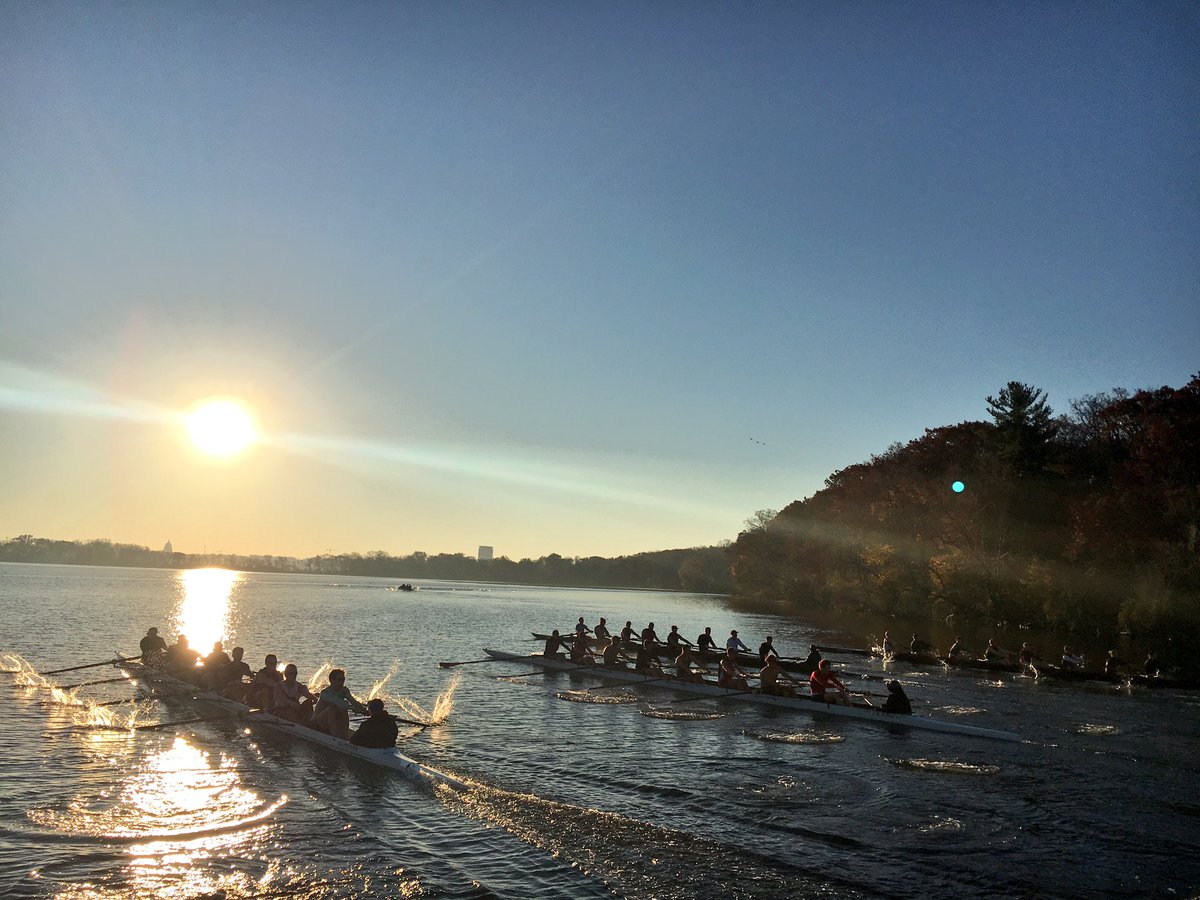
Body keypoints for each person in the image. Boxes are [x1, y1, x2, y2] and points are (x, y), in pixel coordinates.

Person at [311, 668, 369, 740]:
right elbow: (338, 702)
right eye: (340, 680)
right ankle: (337, 739)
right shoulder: (325, 693)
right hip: (318, 724)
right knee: (332, 709)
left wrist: (365, 710)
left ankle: (344, 736)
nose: (342, 682)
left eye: (343, 680)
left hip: (332, 722)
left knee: (343, 708)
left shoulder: (344, 690)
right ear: (331, 680)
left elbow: (353, 701)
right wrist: (351, 707)